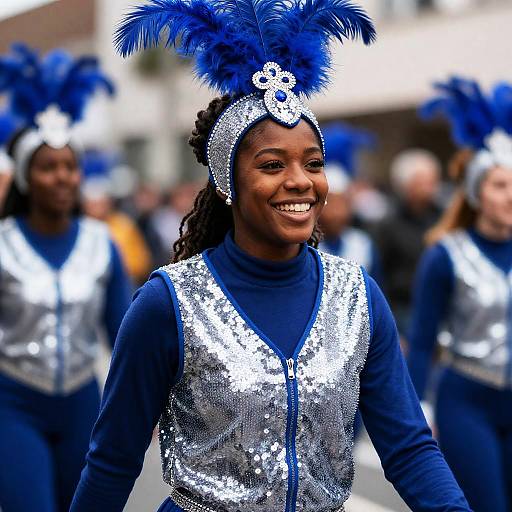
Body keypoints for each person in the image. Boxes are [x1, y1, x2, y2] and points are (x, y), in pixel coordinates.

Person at [71, 2, 471, 511]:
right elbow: (113, 461)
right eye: (272, 164)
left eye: (313, 162)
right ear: (227, 183)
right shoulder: (168, 302)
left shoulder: (357, 295)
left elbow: (410, 448)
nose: (301, 180)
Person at [0, 44, 131, 512]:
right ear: (25, 179)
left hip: (83, 403)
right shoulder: (3, 242)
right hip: (12, 404)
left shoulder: (102, 242)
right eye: (48, 167)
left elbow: (125, 333)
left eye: (70, 166)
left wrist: (145, 401)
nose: (62, 177)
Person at [408, 77, 512, 512]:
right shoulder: (445, 255)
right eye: (501, 186)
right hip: (466, 400)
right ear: (476, 194)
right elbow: (421, 342)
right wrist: (419, 417)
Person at [376, 147, 441, 333]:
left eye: (432, 180)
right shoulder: (388, 224)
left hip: (439, 303)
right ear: (405, 185)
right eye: (422, 182)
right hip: (404, 307)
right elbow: (381, 273)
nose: (430, 187)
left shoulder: (442, 217)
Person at [318, 122, 382, 284]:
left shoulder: (362, 244)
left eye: (342, 203)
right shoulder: (302, 248)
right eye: (330, 203)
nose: (336, 213)